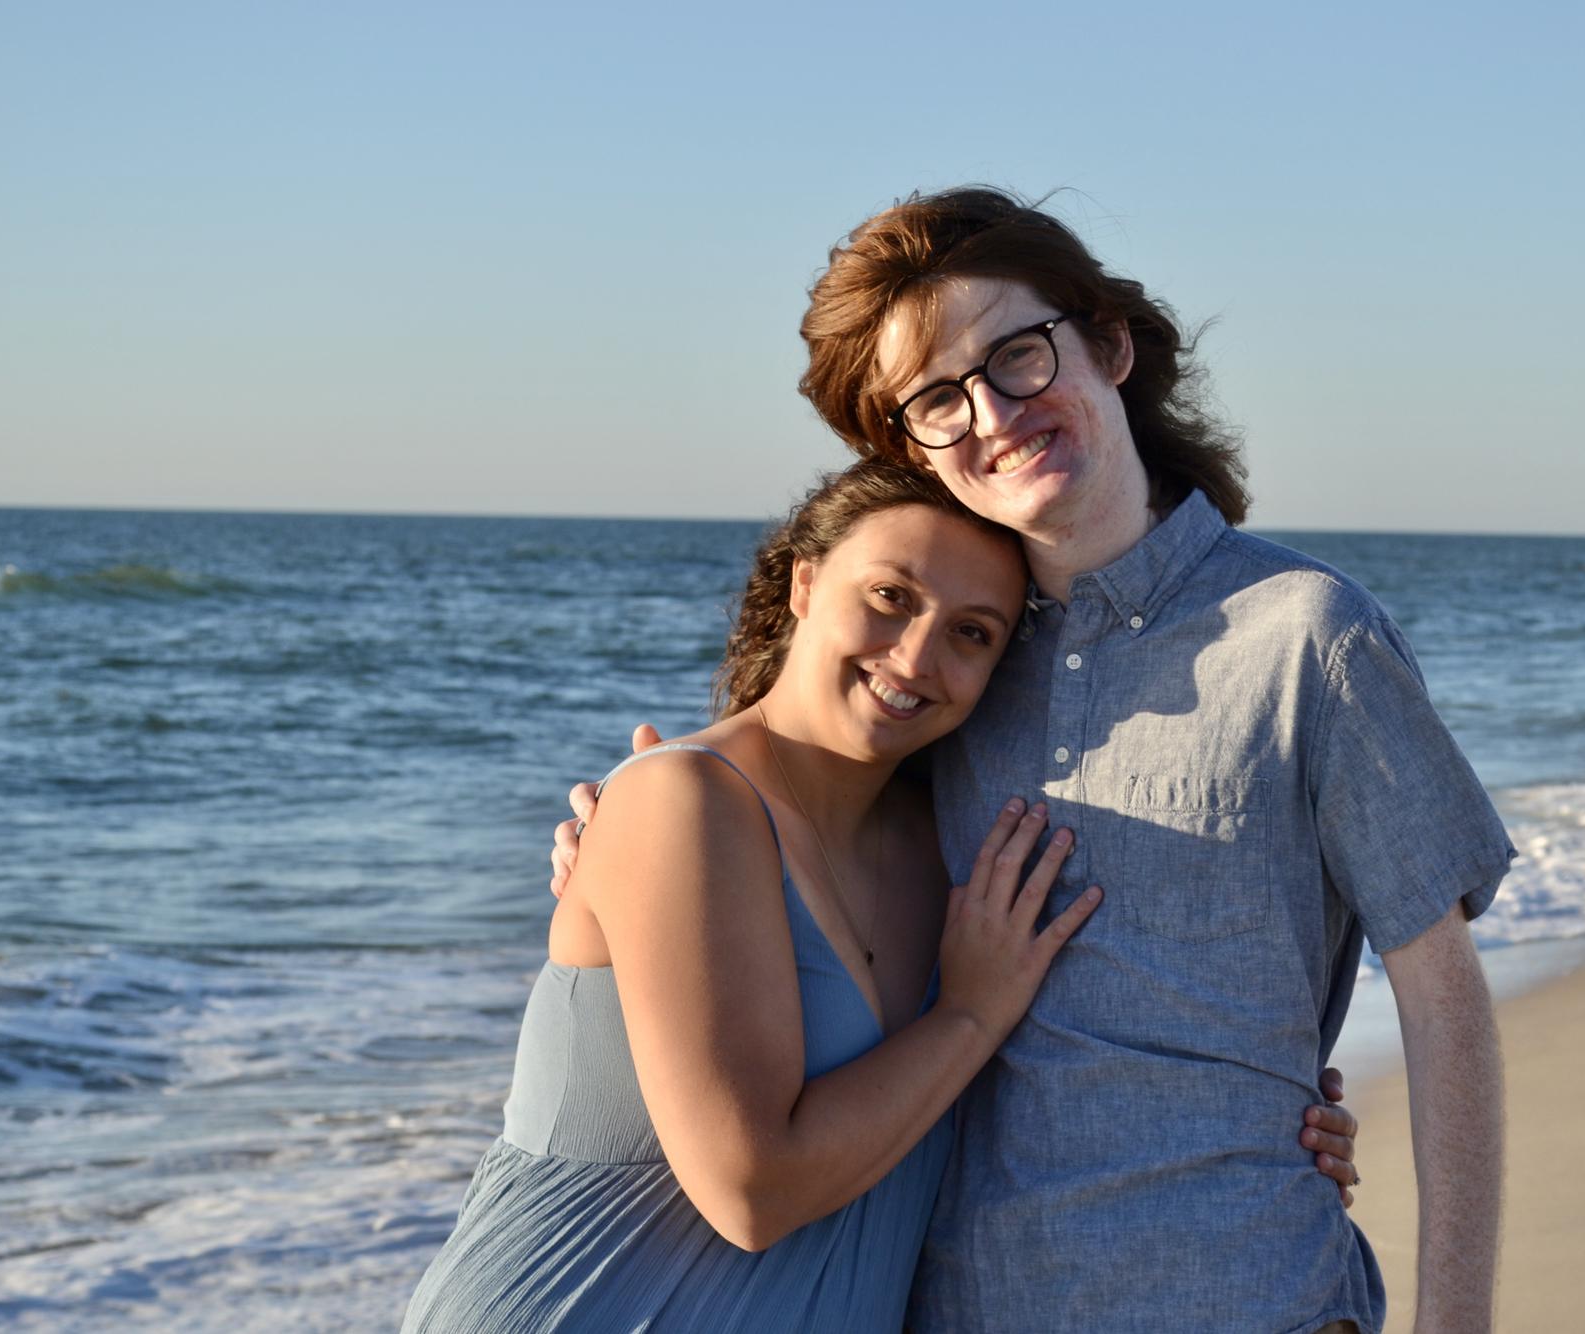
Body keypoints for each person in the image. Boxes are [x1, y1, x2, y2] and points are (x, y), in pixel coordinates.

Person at [557, 187, 1506, 1333]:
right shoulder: (959, 668)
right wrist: (622, 851)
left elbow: (1444, 1009)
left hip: (1251, 1297)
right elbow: (803, 856)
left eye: (1015, 355)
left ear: (1106, 343)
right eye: (937, 401)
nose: (992, 415)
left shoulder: (1306, 632)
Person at [403, 460, 1110, 1331]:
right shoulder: (683, 801)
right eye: (891, 596)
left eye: (972, 633)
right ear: (807, 583)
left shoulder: (959, 851)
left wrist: (1285, 1119)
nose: (917, 655)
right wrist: (967, 1017)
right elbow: (752, 1191)